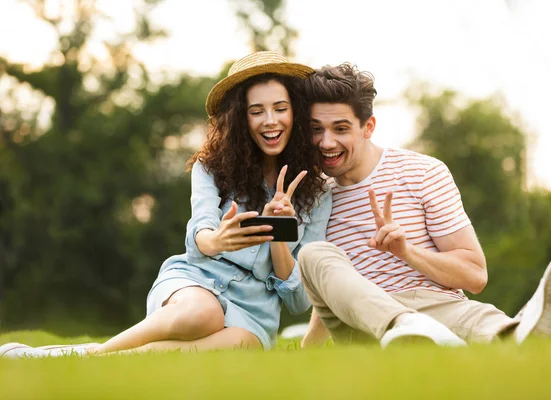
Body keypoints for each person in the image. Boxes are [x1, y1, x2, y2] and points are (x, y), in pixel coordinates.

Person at [0, 51, 332, 358]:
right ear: (240, 118)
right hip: (196, 283)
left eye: (280, 108)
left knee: (240, 348)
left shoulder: (317, 193)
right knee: (203, 314)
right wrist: (217, 240)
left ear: (296, 113)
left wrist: (278, 236)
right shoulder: (211, 166)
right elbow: (200, 228)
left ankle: (96, 359)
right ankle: (80, 356)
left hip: (254, 313)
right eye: (256, 111)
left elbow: (299, 300)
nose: (270, 120)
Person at [297, 63, 551, 348]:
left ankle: (519, 333)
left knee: (474, 317)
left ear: (368, 126)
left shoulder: (422, 173)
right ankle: (403, 326)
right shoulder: (315, 196)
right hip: (361, 325)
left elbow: (474, 276)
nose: (326, 142)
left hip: (434, 306)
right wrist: (309, 347)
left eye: (340, 128)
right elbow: (328, 286)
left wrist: (407, 251)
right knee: (313, 254)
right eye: (316, 129)